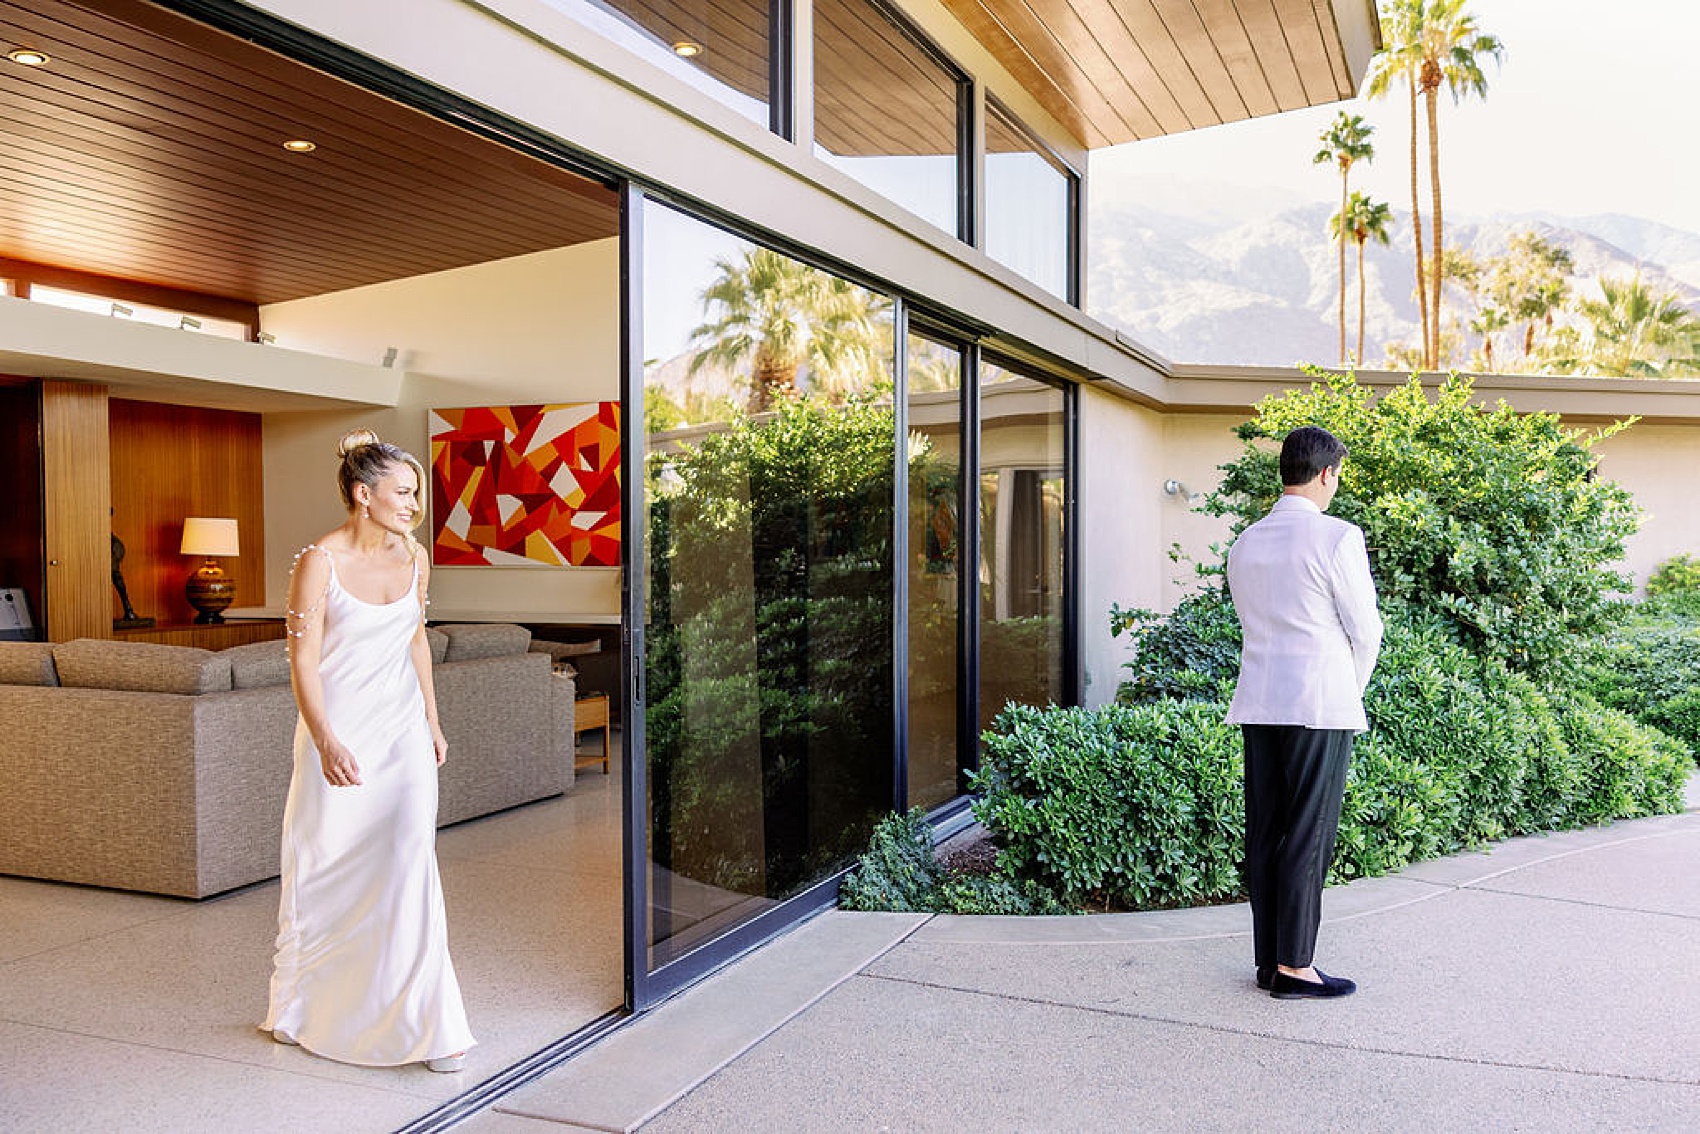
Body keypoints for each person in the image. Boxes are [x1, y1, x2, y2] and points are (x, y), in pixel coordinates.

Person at [262, 429, 474, 1071]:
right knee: (326, 867)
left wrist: (433, 722)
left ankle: (430, 1027)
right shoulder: (318, 562)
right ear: (363, 494)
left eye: (415, 494)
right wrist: (325, 739)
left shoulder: (416, 559)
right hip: (340, 733)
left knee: (412, 864)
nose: (414, 505)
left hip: (403, 733)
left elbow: (416, 642)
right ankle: (301, 1006)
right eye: (403, 493)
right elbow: (302, 660)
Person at [1225, 425, 1382, 1000]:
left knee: (1267, 831)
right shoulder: (1337, 538)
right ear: (1326, 474)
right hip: (1320, 704)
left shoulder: (1246, 542)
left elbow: (1251, 622)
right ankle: (1296, 967)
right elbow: (1366, 631)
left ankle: (1270, 961)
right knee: (1307, 833)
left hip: (1261, 702)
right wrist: (1348, 688)